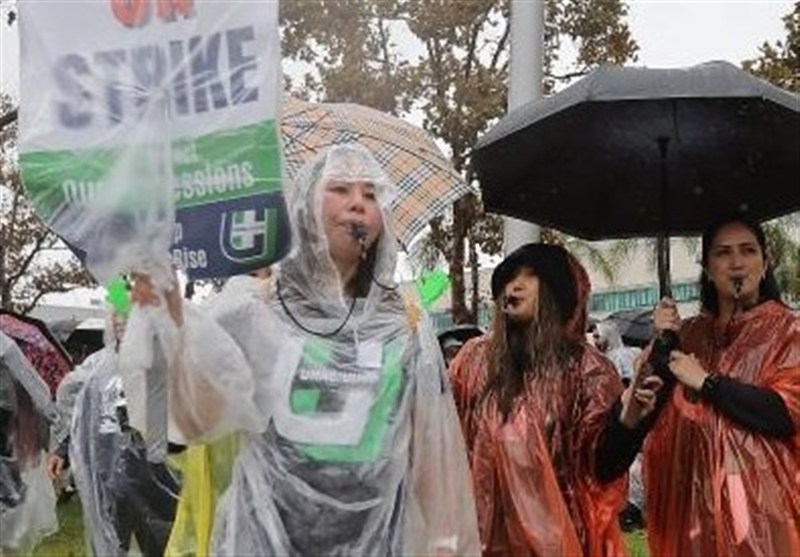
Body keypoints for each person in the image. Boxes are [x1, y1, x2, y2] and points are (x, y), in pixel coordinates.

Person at [128, 144, 480, 555]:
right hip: (267, 536)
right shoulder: (251, 308)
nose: (357, 205)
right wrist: (167, 322)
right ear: (303, 207)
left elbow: (432, 459)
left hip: (377, 539)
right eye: (340, 189)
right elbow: (179, 424)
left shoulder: (405, 325)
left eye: (370, 195)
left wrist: (446, 545)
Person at [449, 243, 663, 556]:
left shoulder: (586, 369)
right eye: (510, 276)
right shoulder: (474, 361)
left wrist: (627, 418)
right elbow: (445, 439)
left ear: (555, 291)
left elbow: (600, 467)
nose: (516, 284)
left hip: (561, 538)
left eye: (531, 276)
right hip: (487, 538)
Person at [646, 217, 799, 557]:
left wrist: (708, 382)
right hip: (691, 504)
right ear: (708, 267)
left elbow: (785, 413)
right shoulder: (690, 334)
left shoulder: (789, 331)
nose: (736, 263)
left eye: (748, 251)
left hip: (761, 509)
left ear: (765, 261)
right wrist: (662, 341)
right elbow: (646, 405)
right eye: (723, 253)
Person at [47, 309, 180, 557]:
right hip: (106, 472)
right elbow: (81, 411)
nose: (121, 321)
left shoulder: (163, 360)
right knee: (108, 543)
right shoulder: (99, 366)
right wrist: (63, 450)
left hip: (152, 474)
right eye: (116, 316)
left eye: (129, 316)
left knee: (159, 544)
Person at [0, 331, 59, 555]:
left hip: (6, 432)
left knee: (10, 505)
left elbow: (37, 392)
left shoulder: (5, 347)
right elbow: (39, 393)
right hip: (7, 431)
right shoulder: (6, 347)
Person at [593, 321, 641, 387]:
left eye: (598, 337)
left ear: (607, 335)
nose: (595, 341)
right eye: (594, 337)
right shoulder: (601, 356)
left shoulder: (623, 356)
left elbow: (628, 381)